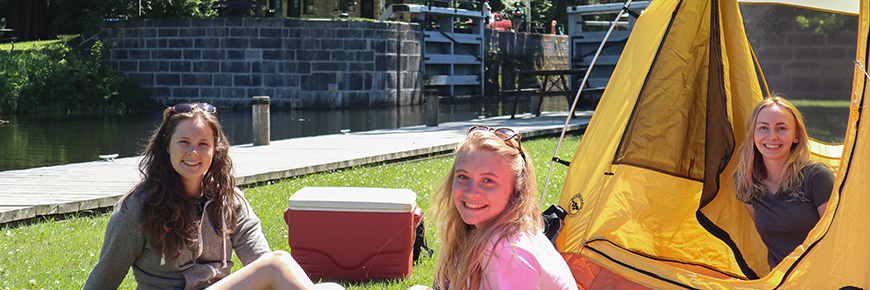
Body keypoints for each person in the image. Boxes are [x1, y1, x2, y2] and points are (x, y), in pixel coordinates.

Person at [84, 103, 343, 290]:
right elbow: (102, 280)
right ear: (167, 145)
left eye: (203, 144)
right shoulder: (137, 208)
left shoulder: (230, 202)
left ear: (215, 149)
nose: (193, 152)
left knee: (332, 289)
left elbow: (259, 261)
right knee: (278, 263)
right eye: (184, 142)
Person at [409, 126, 578, 290]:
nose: (470, 192)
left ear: (515, 191)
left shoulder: (510, 253)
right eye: (463, 176)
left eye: (488, 180)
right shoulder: (485, 230)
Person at [733, 96, 835, 269]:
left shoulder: (817, 176)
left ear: (796, 136)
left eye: (781, 128)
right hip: (781, 282)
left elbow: (836, 239)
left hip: (824, 277)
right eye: (763, 128)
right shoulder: (745, 180)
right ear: (753, 134)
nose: (772, 136)